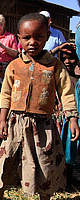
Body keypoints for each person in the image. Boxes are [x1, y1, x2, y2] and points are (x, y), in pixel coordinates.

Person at [0, 13, 80, 200]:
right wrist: (2, 120)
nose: (32, 42)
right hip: (15, 123)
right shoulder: (14, 66)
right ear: (18, 39)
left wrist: (72, 118)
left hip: (43, 126)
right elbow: (5, 94)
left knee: (44, 163)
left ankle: (44, 196)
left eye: (38, 37)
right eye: (26, 37)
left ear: (47, 36)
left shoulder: (54, 66)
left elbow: (66, 92)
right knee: (6, 160)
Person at [59, 43, 80, 186]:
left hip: (75, 119)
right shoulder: (59, 76)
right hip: (62, 119)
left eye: (71, 58)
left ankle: (72, 178)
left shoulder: (77, 79)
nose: (67, 61)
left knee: (73, 149)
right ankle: (63, 179)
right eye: (64, 58)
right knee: (63, 149)